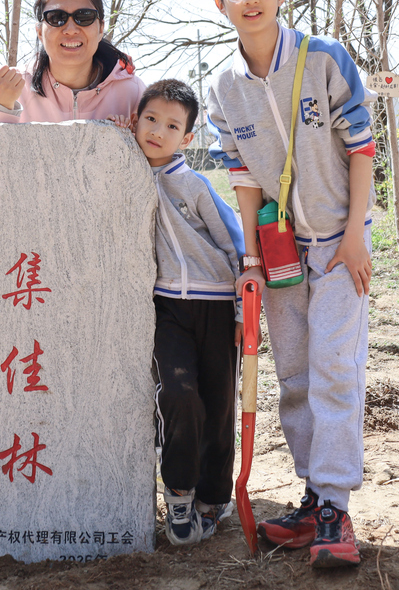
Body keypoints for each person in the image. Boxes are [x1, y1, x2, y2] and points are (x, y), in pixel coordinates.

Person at [205, 0, 375, 569]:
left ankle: (336, 507)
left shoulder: (323, 57)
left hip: (336, 245)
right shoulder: (223, 85)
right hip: (278, 256)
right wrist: (251, 259)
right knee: (295, 376)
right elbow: (242, 176)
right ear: (220, 3)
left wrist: (354, 234)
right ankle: (314, 498)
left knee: (335, 370)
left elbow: (361, 147)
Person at [132, 79, 246, 546]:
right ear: (135, 121)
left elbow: (234, 243)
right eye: (150, 119)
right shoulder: (128, 177)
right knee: (179, 396)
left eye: (171, 126)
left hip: (216, 305)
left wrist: (241, 311)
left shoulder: (194, 185)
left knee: (219, 405)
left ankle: (213, 499)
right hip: (166, 308)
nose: (157, 131)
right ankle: (179, 494)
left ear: (187, 137)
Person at [0, 0, 145, 125]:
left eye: (84, 17)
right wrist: (2, 107)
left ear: (101, 28)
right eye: (56, 18)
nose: (71, 30)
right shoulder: (12, 87)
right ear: (39, 32)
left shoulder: (133, 92)